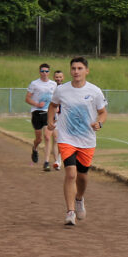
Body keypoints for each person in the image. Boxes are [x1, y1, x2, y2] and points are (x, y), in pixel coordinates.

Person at [46, 57, 108, 225]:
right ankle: (70, 212)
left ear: (86, 71)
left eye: (80, 68)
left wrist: (99, 122)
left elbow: (103, 112)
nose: (76, 71)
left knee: (82, 177)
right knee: (71, 173)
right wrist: (50, 120)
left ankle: (79, 198)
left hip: (87, 139)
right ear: (70, 71)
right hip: (66, 137)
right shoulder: (62, 90)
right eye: (73, 68)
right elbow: (53, 105)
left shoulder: (95, 91)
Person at [25, 63, 57, 170]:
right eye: (42, 71)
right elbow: (27, 99)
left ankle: (46, 162)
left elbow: (57, 98)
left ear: (49, 72)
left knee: (47, 137)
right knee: (39, 139)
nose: (44, 73)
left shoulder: (53, 84)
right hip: (37, 113)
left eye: (46, 71)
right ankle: (35, 148)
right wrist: (37, 104)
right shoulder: (34, 84)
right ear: (39, 72)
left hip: (48, 113)